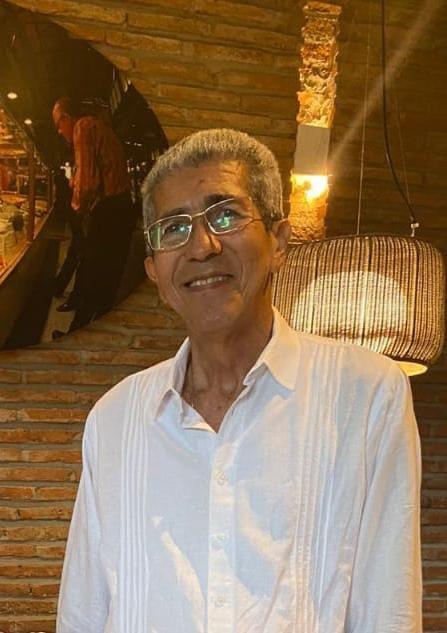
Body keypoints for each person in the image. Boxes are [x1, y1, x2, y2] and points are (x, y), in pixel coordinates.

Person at [56, 129, 422, 633]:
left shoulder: (366, 394)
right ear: (155, 272)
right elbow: (84, 611)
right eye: (173, 228)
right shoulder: (115, 418)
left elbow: (388, 608)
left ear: (279, 240)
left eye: (225, 215)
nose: (202, 246)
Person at [52, 97, 136, 330]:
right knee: (103, 276)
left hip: (110, 208)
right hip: (120, 207)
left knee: (95, 275)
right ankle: (81, 328)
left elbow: (88, 182)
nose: (58, 131)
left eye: (58, 124)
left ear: (67, 117)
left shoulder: (83, 126)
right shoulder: (99, 127)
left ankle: (78, 332)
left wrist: (76, 209)